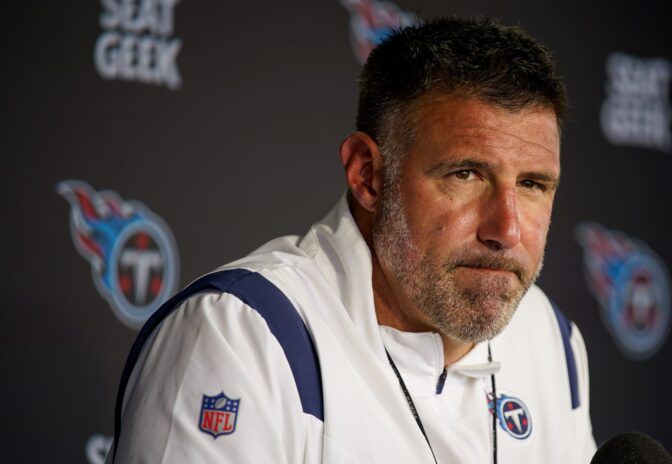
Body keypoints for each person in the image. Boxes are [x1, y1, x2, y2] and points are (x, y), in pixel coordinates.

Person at [108, 17, 595, 463]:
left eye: (532, 185)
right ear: (368, 176)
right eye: (465, 174)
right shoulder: (240, 335)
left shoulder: (548, 335)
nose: (506, 231)